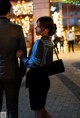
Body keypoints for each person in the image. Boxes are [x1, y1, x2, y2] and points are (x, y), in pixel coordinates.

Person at [16, 16, 57, 118]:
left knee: (37, 111)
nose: (35, 28)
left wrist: (22, 57)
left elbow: (33, 63)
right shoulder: (50, 42)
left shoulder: (40, 42)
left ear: (45, 30)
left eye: (38, 26)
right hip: (44, 78)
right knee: (41, 109)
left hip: (37, 79)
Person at [0, 0, 27, 118]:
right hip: (12, 73)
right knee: (12, 108)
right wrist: (21, 72)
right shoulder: (17, 28)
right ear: (9, 10)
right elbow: (23, 52)